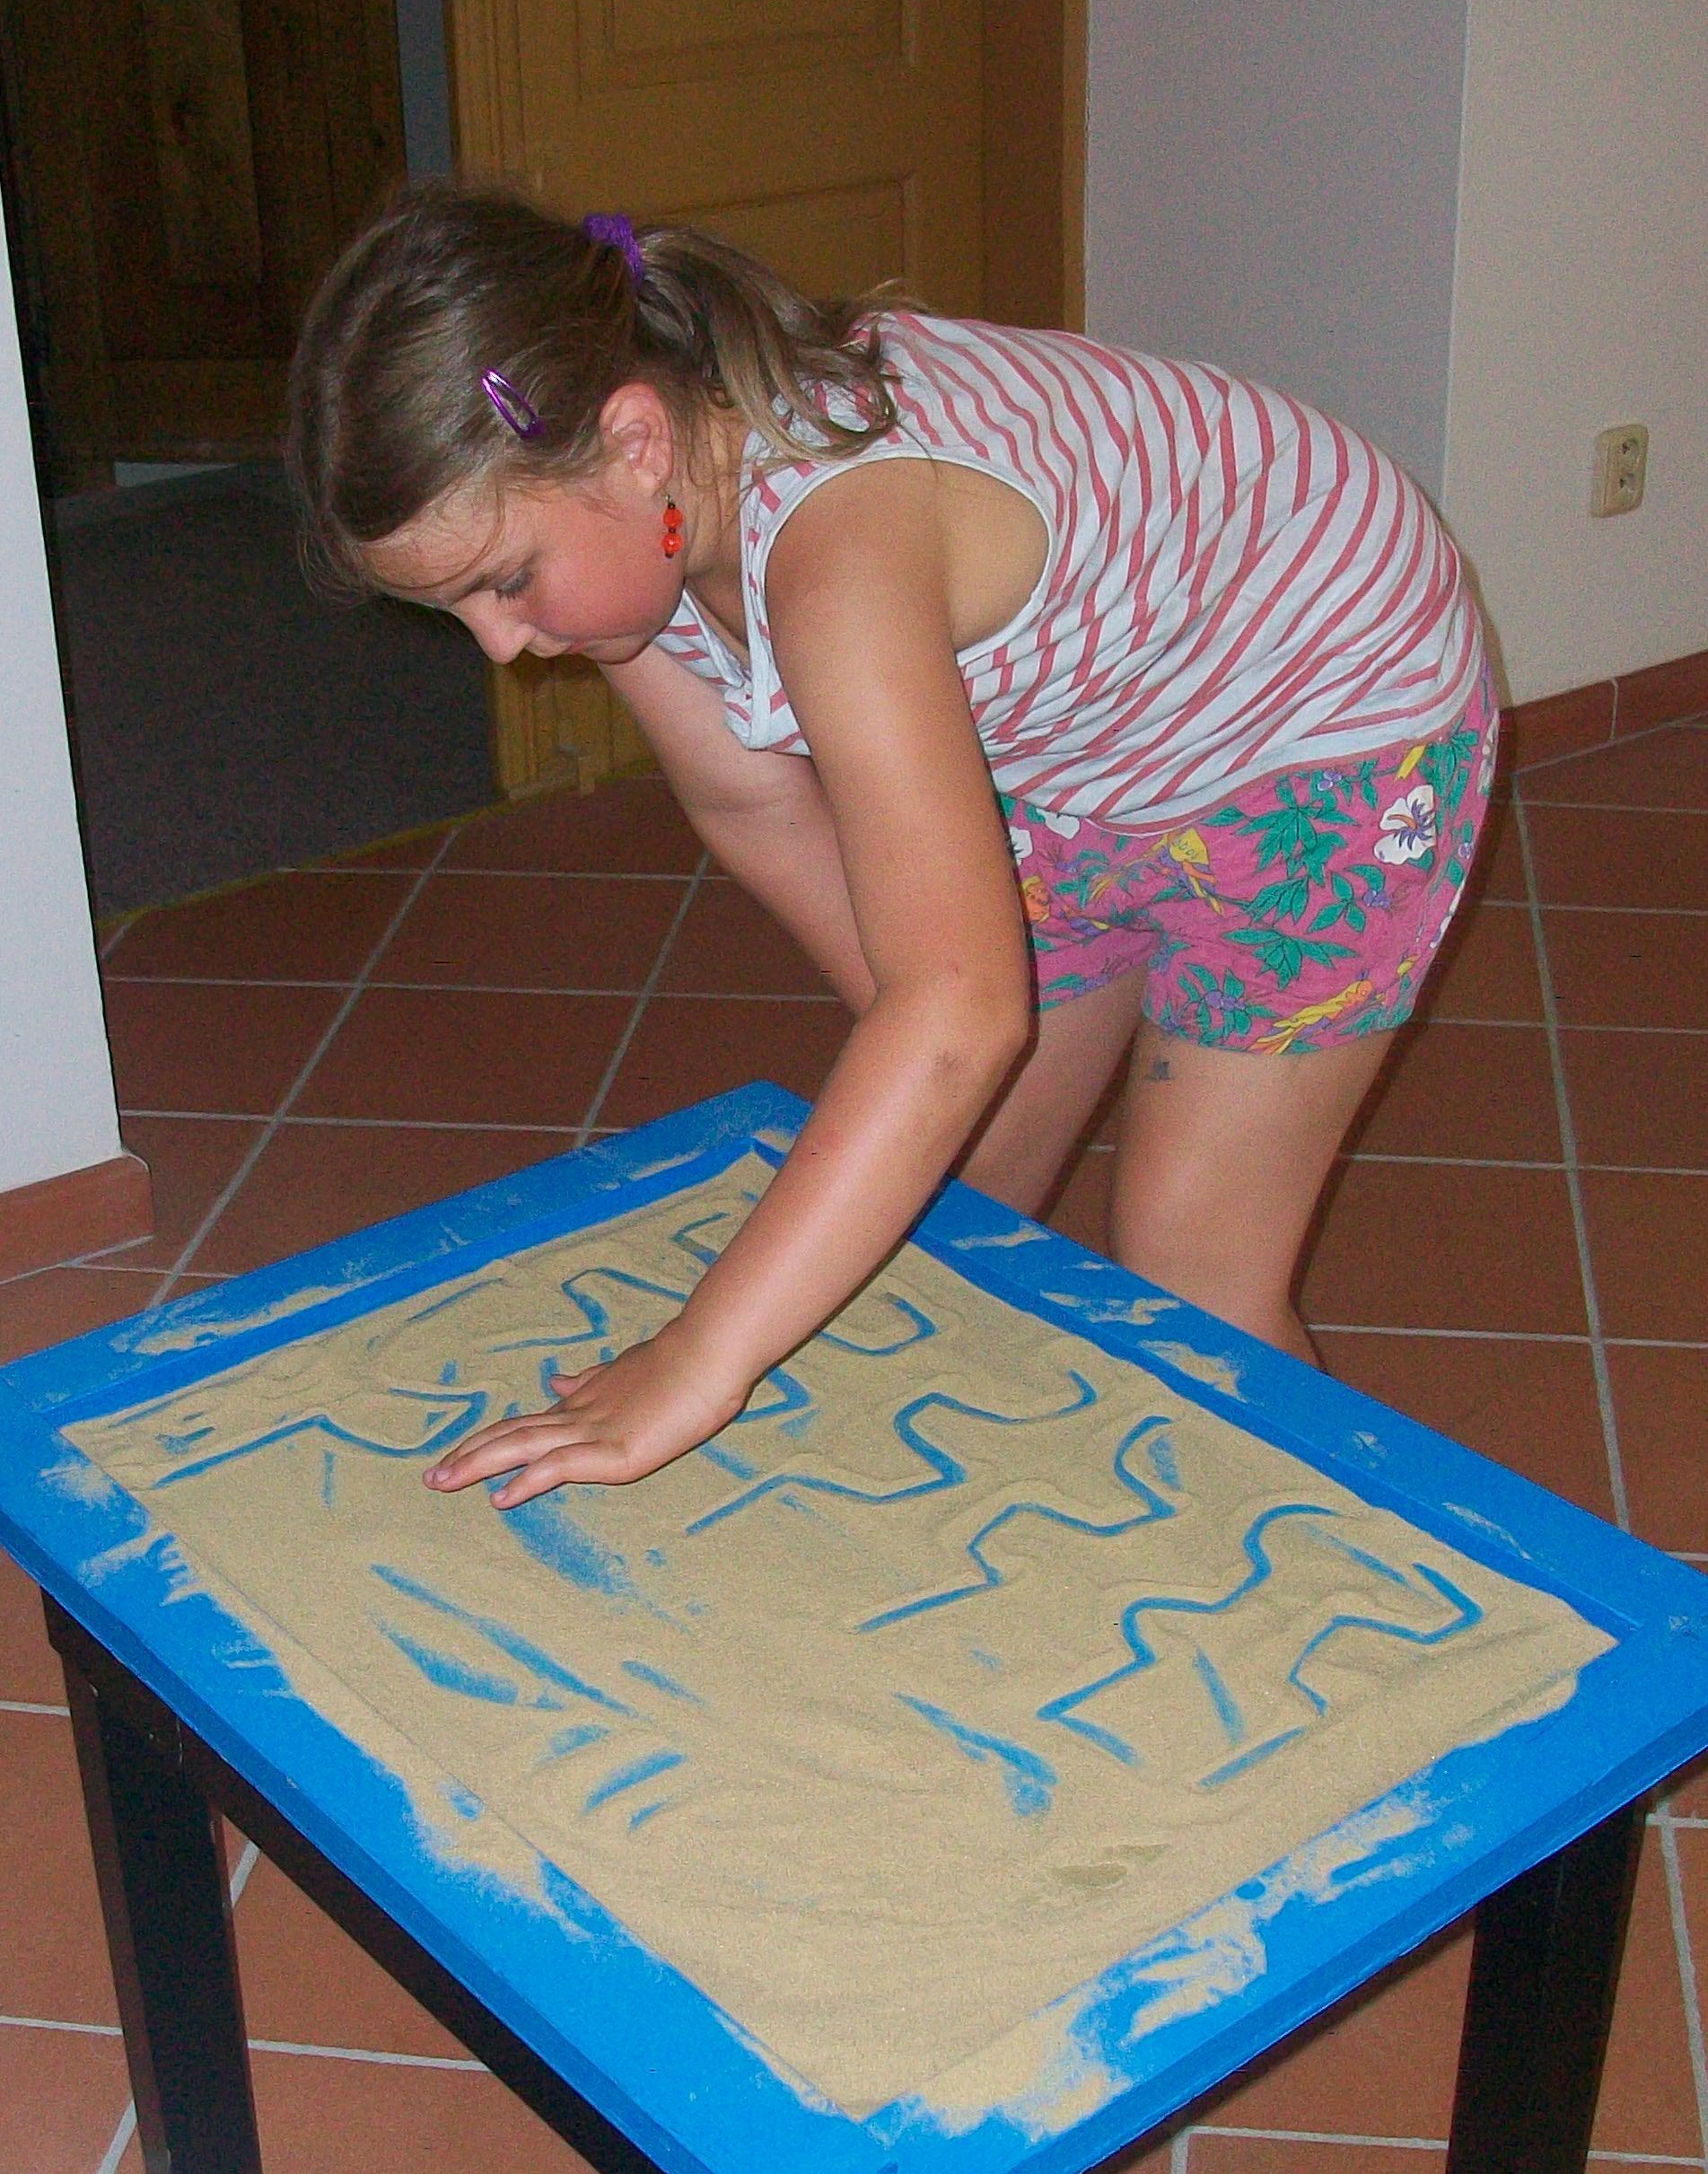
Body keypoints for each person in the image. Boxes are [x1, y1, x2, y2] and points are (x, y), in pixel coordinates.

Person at [287, 183, 1494, 1511]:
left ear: (633, 441)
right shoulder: (640, 526)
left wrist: (703, 1356)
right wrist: (936, 1062)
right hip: (1091, 744)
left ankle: (1367, 1575)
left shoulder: (837, 554)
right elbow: (754, 805)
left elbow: (957, 1007)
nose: (503, 647)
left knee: (1190, 1271)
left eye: (505, 581)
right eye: (457, 609)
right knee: (944, 1184)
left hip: (1321, 711)